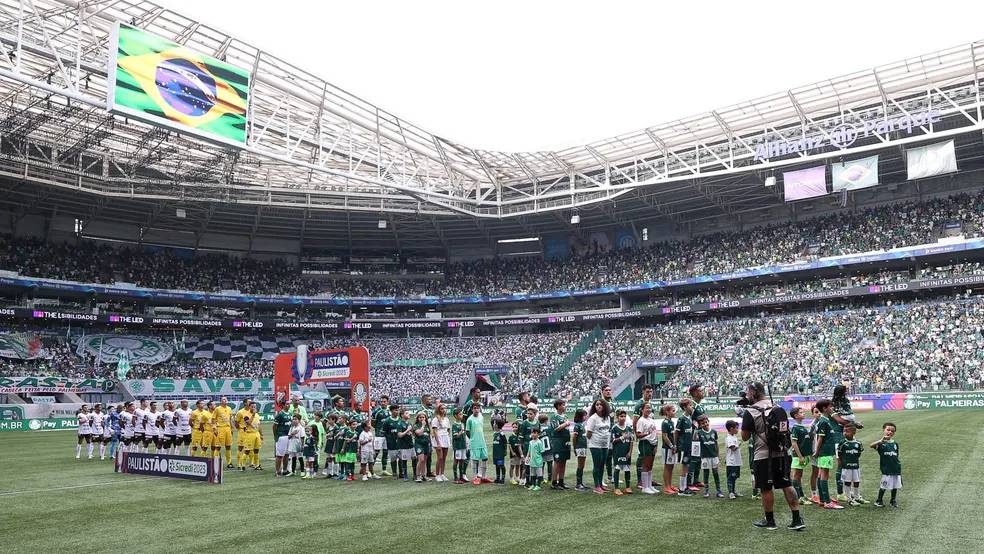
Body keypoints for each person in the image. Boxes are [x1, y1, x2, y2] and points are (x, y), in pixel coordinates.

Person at [741, 382, 805, 531]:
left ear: (754, 393)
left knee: (765, 488)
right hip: (782, 453)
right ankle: (797, 519)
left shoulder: (750, 411)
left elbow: (745, 436)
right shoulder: (778, 408)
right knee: (787, 485)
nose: (747, 395)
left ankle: (769, 521)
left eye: (749, 392)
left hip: (762, 454)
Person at [813, 399, 844, 510]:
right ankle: (827, 501)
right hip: (825, 451)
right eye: (830, 406)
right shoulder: (824, 421)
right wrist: (817, 451)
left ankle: (822, 500)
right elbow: (820, 438)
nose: (832, 408)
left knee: (821, 474)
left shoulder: (824, 420)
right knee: (824, 475)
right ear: (825, 408)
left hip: (824, 451)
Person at [870, 422, 901, 508]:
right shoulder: (881, 443)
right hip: (886, 468)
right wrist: (880, 440)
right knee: (884, 484)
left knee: (895, 485)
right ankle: (879, 500)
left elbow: (896, 455)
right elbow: (871, 445)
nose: (890, 432)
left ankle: (893, 500)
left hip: (896, 468)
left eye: (892, 431)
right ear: (884, 430)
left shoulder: (895, 444)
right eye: (888, 430)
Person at [585, 399, 611, 494]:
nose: (599, 406)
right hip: (595, 445)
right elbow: (589, 433)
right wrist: (593, 441)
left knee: (602, 465)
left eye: (601, 404)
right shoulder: (593, 418)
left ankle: (601, 485)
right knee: (597, 465)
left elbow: (608, 430)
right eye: (597, 405)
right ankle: (596, 486)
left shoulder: (607, 418)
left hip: (605, 445)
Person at [633, 401, 659, 495]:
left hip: (652, 443)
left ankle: (650, 485)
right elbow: (638, 434)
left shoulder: (651, 419)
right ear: (642, 410)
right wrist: (647, 433)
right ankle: (645, 486)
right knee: (646, 464)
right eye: (646, 408)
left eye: (649, 408)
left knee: (650, 465)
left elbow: (654, 432)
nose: (648, 410)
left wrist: (656, 444)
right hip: (645, 443)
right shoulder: (641, 420)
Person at [788, 407, 812, 505]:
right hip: (798, 456)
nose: (803, 413)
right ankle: (797, 497)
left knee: (799, 475)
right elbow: (794, 443)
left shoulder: (801, 427)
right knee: (796, 476)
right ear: (796, 416)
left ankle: (801, 495)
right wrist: (800, 456)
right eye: (801, 412)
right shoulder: (796, 428)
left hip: (802, 455)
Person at [837, 424, 865, 505]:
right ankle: (849, 499)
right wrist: (842, 463)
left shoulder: (858, 443)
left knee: (857, 481)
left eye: (847, 431)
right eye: (844, 431)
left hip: (856, 466)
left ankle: (857, 497)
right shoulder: (842, 443)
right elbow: (839, 454)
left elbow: (859, 453)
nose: (845, 433)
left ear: (854, 432)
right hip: (846, 467)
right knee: (847, 482)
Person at [696, 415, 723, 498]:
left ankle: (719, 491)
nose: (705, 424)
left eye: (706, 422)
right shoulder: (699, 432)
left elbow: (716, 443)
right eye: (702, 423)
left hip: (714, 456)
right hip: (705, 456)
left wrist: (718, 455)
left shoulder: (714, 432)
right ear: (700, 425)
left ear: (708, 421)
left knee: (716, 473)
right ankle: (706, 491)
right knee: (706, 473)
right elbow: (695, 442)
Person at [674, 398, 696, 496]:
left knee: (686, 466)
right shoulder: (682, 419)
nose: (692, 407)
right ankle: (681, 490)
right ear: (684, 407)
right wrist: (676, 445)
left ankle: (685, 487)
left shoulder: (689, 418)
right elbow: (676, 432)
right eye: (690, 405)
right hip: (683, 447)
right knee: (684, 466)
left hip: (689, 446)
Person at [549, 399, 572, 490]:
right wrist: (565, 424)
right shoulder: (554, 417)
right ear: (558, 406)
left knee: (564, 461)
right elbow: (556, 429)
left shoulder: (565, 416)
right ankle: (554, 482)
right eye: (563, 405)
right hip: (558, 441)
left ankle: (561, 481)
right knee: (557, 461)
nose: (565, 406)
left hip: (565, 441)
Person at [465, 402, 490, 485]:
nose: (476, 410)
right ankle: (475, 477)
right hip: (475, 442)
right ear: (472, 409)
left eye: (478, 408)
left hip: (482, 441)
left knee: (485, 458)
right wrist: (473, 439)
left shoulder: (481, 417)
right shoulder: (470, 419)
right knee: (475, 460)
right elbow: (467, 432)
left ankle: (483, 477)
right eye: (475, 408)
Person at [610, 409, 634, 496]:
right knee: (618, 467)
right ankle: (616, 488)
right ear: (617, 417)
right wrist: (621, 438)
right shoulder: (614, 428)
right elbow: (612, 440)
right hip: (618, 452)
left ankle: (627, 487)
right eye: (621, 416)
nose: (623, 418)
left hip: (626, 452)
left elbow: (631, 441)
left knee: (627, 468)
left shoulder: (628, 428)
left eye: (624, 416)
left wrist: (630, 452)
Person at [688, 385, 707, 489]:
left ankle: (696, 480)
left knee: (699, 458)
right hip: (694, 436)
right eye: (700, 391)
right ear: (695, 393)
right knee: (693, 458)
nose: (702, 392)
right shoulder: (692, 406)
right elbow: (690, 419)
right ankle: (689, 482)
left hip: (700, 434)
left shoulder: (699, 405)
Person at [660, 403, 679, 495]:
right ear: (667, 412)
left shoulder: (671, 422)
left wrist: (675, 445)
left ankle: (670, 485)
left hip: (672, 448)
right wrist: (671, 446)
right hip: (667, 448)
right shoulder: (665, 423)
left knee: (671, 467)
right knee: (667, 467)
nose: (674, 412)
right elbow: (665, 436)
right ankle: (666, 487)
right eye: (673, 411)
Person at [431, 403, 451, 482]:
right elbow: (435, 431)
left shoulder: (446, 419)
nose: (444, 410)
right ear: (439, 410)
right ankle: (437, 474)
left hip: (445, 438)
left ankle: (442, 473)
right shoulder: (435, 419)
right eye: (442, 408)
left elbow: (448, 428)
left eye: (445, 408)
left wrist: (447, 436)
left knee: (444, 458)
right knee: (440, 457)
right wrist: (438, 443)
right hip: (438, 439)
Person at [213, 397, 235, 468]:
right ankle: (215, 463)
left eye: (225, 399)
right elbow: (213, 419)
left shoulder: (229, 408)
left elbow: (230, 419)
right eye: (223, 399)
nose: (224, 400)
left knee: (228, 446)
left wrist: (232, 428)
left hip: (228, 429)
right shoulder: (217, 409)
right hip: (220, 429)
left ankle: (229, 463)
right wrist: (214, 428)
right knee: (218, 446)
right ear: (220, 401)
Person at [372, 395, 391, 476]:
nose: (383, 403)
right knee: (376, 452)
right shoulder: (376, 411)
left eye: (384, 401)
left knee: (386, 452)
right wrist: (378, 429)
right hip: (379, 435)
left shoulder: (390, 411)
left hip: (388, 435)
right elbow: (373, 423)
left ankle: (384, 469)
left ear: (387, 402)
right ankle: (370, 470)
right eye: (381, 402)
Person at [724, 420, 743, 499]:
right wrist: (738, 444)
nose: (738, 430)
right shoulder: (729, 438)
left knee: (734, 477)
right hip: (732, 462)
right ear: (731, 429)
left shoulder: (733, 437)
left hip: (736, 461)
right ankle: (730, 492)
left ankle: (733, 491)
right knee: (730, 477)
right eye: (736, 428)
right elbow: (733, 448)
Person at [571, 408, 588, 491]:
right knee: (580, 465)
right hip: (580, 447)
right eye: (585, 415)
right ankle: (578, 484)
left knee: (582, 465)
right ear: (581, 416)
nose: (586, 416)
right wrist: (574, 448)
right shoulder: (577, 425)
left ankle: (581, 483)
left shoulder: (582, 424)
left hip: (583, 447)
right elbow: (574, 437)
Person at [272, 404, 291, 477]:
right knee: (279, 455)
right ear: (283, 405)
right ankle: (277, 471)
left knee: (286, 454)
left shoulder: (290, 413)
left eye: (289, 404)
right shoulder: (280, 414)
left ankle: (285, 470)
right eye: (286, 404)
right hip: (281, 436)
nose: (288, 405)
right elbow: (274, 426)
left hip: (288, 436)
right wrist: (276, 436)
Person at [413, 412, 432, 482]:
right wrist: (423, 426)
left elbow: (430, 434)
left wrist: (430, 444)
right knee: (421, 460)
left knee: (424, 461)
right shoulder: (416, 426)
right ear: (417, 418)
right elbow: (419, 433)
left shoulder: (427, 425)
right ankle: (418, 476)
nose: (422, 419)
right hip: (419, 445)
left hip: (426, 445)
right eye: (420, 417)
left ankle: (424, 475)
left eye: (423, 417)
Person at [382, 405, 400, 479]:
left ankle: (402, 472)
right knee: (393, 458)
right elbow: (384, 432)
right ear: (391, 411)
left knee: (401, 458)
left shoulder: (400, 419)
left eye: (398, 410)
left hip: (400, 442)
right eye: (395, 410)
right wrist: (389, 439)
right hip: (391, 443)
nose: (397, 411)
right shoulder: (387, 421)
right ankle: (394, 473)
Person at [396, 409, 414, 481]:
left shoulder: (409, 423)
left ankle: (415, 474)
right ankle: (405, 475)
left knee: (414, 458)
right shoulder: (399, 423)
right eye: (406, 413)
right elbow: (399, 435)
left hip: (410, 444)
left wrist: (411, 433)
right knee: (404, 460)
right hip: (403, 445)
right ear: (402, 415)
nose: (408, 414)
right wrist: (407, 431)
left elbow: (411, 433)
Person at [451, 408, 468, 484]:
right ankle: (455, 478)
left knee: (462, 461)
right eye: (460, 414)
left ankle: (461, 477)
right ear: (455, 416)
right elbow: (456, 436)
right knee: (456, 461)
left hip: (463, 445)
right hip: (457, 446)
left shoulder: (462, 424)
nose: (462, 415)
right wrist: (461, 431)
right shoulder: (454, 425)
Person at [235, 399, 252, 469]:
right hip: (242, 431)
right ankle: (239, 463)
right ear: (245, 403)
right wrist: (240, 429)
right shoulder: (240, 412)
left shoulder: (252, 411)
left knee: (250, 447)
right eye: (249, 401)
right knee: (240, 447)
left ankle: (252, 463)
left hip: (250, 432)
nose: (250, 402)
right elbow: (236, 422)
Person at [527, 426, 545, 491]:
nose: (533, 434)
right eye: (532, 432)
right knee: (533, 474)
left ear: (538, 434)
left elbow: (542, 452)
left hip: (538, 461)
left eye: (535, 432)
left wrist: (540, 460)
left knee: (539, 474)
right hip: (532, 461)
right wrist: (527, 457)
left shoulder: (539, 442)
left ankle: (538, 485)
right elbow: (529, 450)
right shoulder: (531, 442)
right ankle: (533, 484)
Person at [491, 418, 507, 484]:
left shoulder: (502, 433)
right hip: (495, 453)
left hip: (500, 453)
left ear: (498, 425)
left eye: (495, 423)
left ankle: (502, 479)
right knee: (497, 465)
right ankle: (497, 478)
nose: (493, 424)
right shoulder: (495, 433)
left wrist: (505, 451)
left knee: (501, 465)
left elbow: (505, 442)